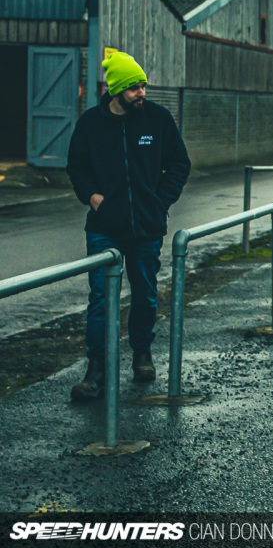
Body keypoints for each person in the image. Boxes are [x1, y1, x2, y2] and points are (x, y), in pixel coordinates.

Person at [65, 52, 191, 400]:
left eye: (143, 85)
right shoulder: (90, 124)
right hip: (104, 226)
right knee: (101, 298)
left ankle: (141, 354)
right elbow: (77, 168)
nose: (142, 93)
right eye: (135, 87)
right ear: (116, 90)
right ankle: (97, 369)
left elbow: (179, 164)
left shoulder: (157, 120)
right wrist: (94, 199)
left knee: (145, 293)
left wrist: (160, 202)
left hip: (147, 227)